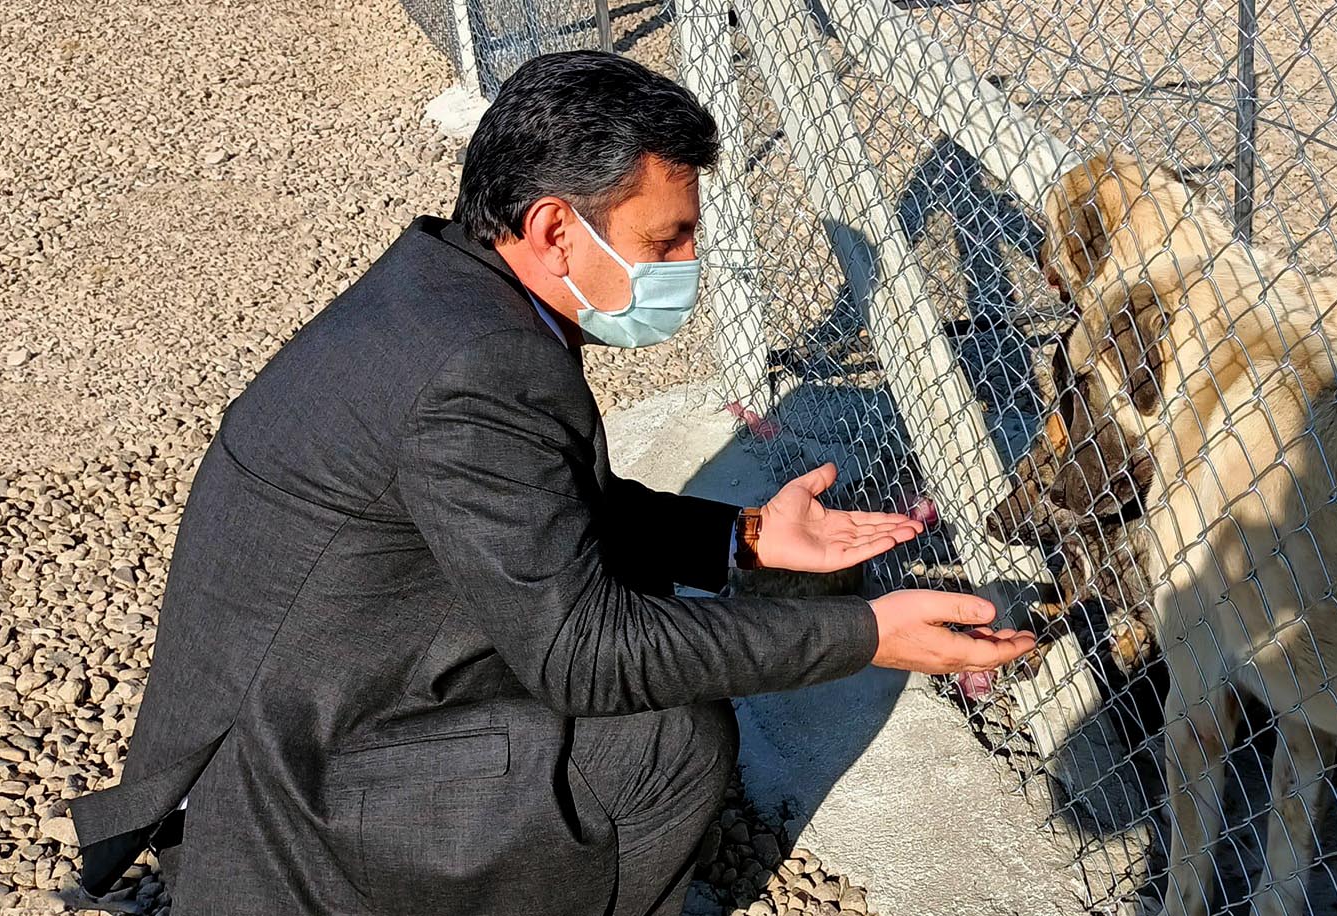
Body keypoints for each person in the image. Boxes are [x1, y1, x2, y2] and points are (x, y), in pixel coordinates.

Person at [67, 50, 1037, 916]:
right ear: (554, 228)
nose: (688, 266)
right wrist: (865, 634)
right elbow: (584, 654)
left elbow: (547, 512)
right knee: (655, 742)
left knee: (648, 652)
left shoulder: (443, 292)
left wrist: (739, 540)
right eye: (665, 241)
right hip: (290, 796)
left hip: (313, 709)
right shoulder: (481, 369)